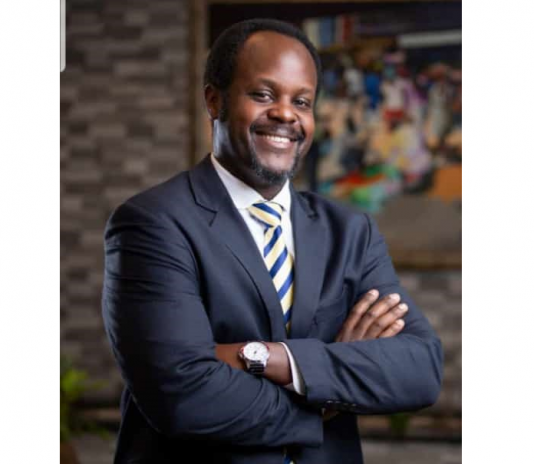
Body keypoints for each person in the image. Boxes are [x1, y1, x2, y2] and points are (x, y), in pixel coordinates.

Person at [102, 19, 443, 464]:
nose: (286, 114)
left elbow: (419, 368)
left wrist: (265, 358)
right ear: (214, 100)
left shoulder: (350, 232)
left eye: (301, 101)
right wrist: (327, 395)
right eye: (263, 95)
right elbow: (182, 397)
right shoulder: (154, 223)